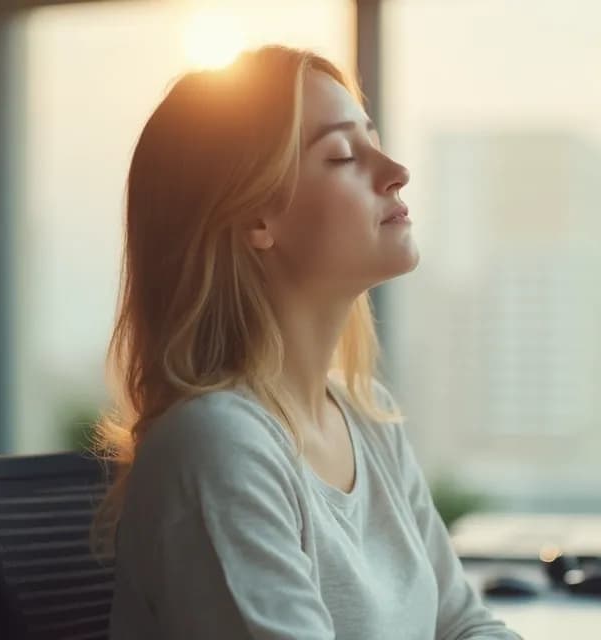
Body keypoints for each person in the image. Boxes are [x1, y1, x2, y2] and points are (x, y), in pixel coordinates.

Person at [92, 45, 521, 640]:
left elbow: (465, 623)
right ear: (254, 220)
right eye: (344, 154)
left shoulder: (368, 419)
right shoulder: (218, 445)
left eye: (371, 139)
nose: (396, 169)